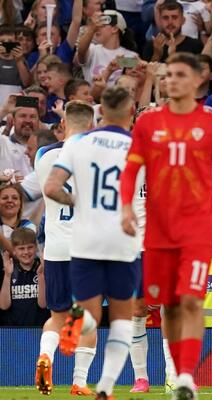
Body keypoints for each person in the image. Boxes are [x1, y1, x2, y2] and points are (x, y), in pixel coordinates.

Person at [120, 52, 212, 400]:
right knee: (138, 309)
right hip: (139, 243)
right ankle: (141, 377)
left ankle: (175, 376)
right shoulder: (130, 154)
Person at [43, 87, 141, 400]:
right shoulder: (138, 147)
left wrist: (79, 203)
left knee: (88, 314)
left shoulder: (78, 144)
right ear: (131, 113)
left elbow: (51, 187)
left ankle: (76, 324)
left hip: (83, 240)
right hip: (122, 239)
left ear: (101, 113)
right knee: (122, 319)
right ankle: (104, 388)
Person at [34, 100, 97, 396]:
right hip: (87, 249)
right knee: (89, 317)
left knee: (57, 317)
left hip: (56, 249)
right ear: (92, 126)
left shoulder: (44, 156)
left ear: (62, 125)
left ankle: (46, 356)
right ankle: (79, 382)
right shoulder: (99, 159)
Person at [0, 228, 48, 326]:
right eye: (21, 248)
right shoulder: (8, 270)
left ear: (36, 247)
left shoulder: (42, 269)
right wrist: (7, 275)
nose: (26, 252)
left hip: (38, 329)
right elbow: (4, 306)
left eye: (30, 247)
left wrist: (41, 275)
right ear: (14, 250)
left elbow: (43, 305)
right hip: (13, 330)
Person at [0, 184, 37, 253]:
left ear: (20, 204)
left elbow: (20, 254)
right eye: (5, 198)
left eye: (15, 198)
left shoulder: (28, 226)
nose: (10, 200)